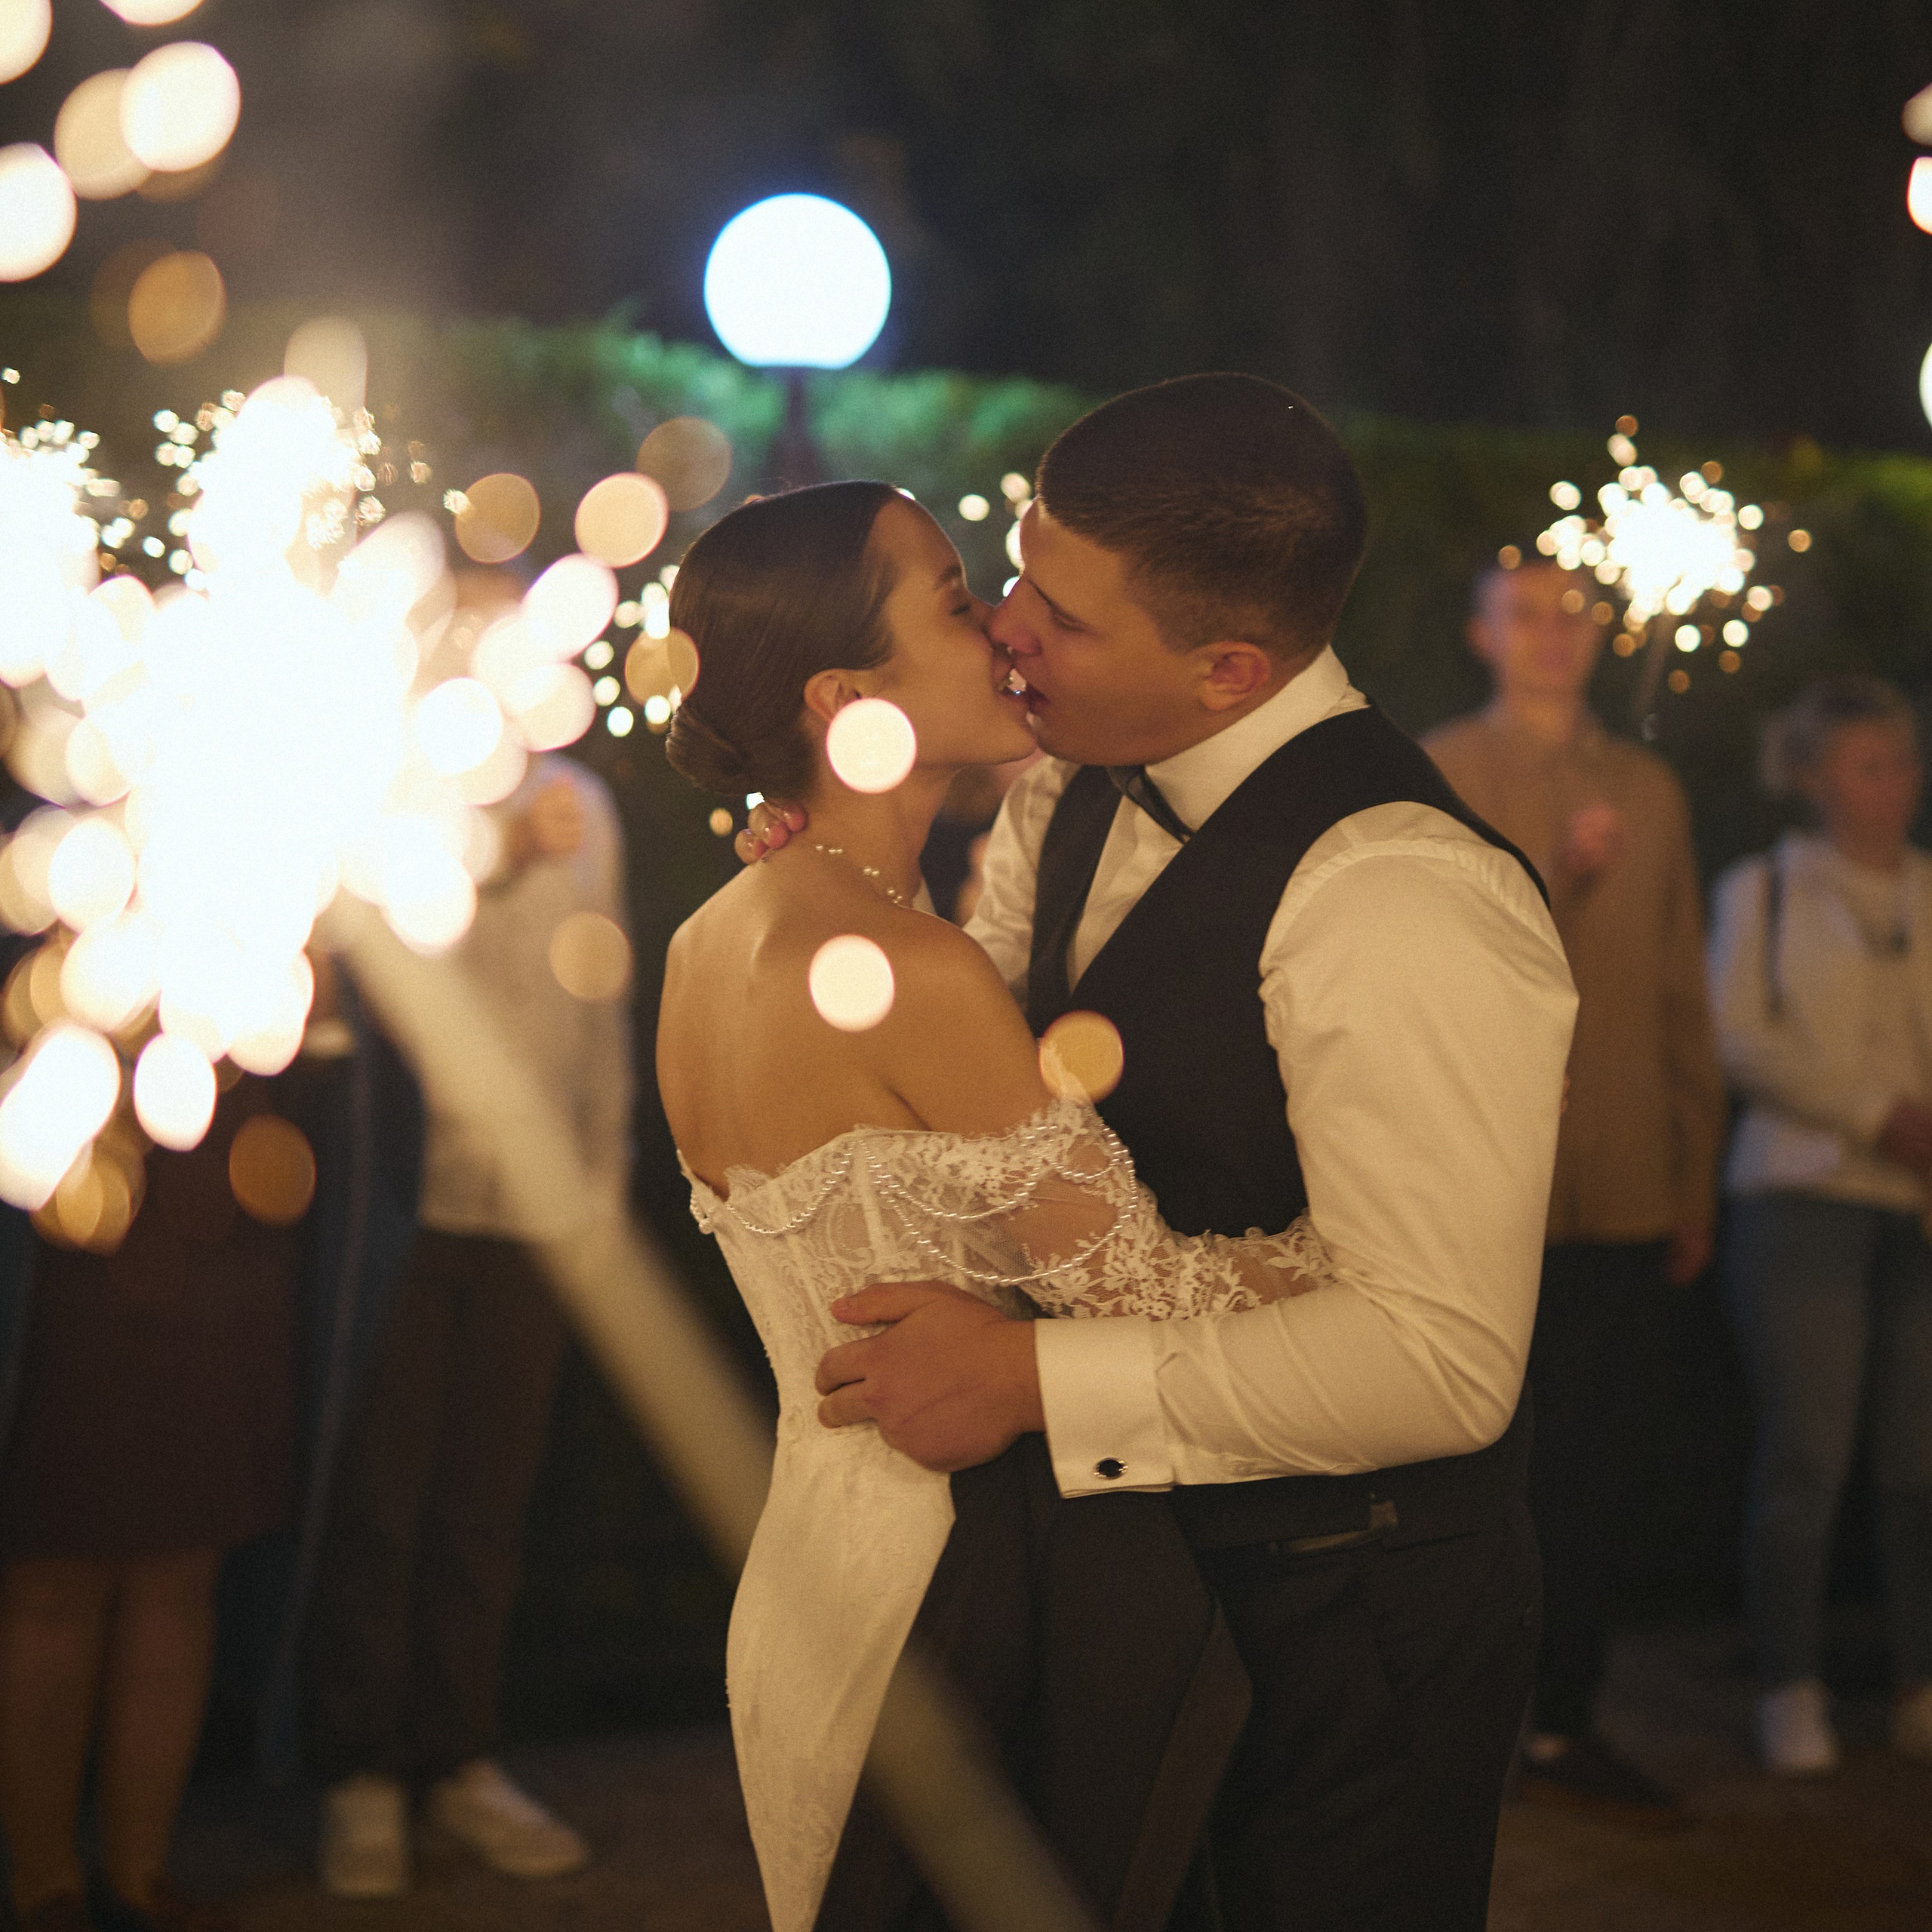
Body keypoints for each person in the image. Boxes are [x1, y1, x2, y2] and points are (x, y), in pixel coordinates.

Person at [739, 376, 1577, 1931]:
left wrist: (1031, 1381)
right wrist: (851, 901)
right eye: (1013, 574)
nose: (1004, 630)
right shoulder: (1061, 788)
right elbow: (981, 1103)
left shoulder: (1400, 892)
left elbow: (1444, 1361)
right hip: (1126, 1594)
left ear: (1228, 669)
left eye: (1060, 616)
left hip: (1346, 1629)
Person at [659, 478, 1358, 1932]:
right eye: (957, 600)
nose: (1005, 632)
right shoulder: (909, 973)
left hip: (809, 1574)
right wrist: (1366, 1240)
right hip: (955, 1598)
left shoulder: (712, 939)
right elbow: (1149, 1299)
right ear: (846, 695)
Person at [1424, 558, 1725, 1817]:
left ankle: (1563, 1718)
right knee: (1475, 1468)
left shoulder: (1650, 789)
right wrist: (1551, 875)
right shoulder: (1443, 772)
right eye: (1529, 615)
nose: (1555, 635)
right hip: (1490, 1188)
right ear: (1482, 634)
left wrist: (1695, 1176)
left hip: (1627, 1187)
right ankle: (1452, 1724)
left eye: (1575, 614)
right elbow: (1434, 963)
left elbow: (1680, 990)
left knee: (1596, 1469)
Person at [306, 755, 629, 1895]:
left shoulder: (586, 803)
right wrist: (496, 852)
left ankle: (457, 1760)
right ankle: (359, 1773)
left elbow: (602, 1003)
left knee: (486, 1504)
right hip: (407, 1201)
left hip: (539, 1207)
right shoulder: (390, 776)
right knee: (379, 1498)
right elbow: (372, 958)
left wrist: (601, 1184)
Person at [0, 1070, 306, 1932]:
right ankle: (44, 1885)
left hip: (213, 1223)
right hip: (61, 1215)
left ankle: (141, 1875)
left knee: (180, 1566)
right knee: (54, 1573)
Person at [1708, 675, 1932, 1776]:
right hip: (1802, 1196)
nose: (1895, 783)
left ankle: (1918, 1682)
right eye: (1868, 764)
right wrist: (1876, 1114)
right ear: (1812, 777)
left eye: (1903, 761)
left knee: (1916, 1461)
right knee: (1809, 1453)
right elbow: (1742, 1037)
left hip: (1916, 1208)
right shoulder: (1765, 888)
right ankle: (1788, 1685)